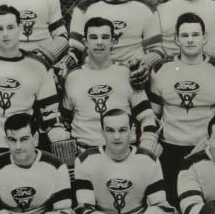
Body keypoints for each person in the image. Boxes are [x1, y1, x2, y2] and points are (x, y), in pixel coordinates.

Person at [0, 4, 76, 170]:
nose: (5, 34)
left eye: (10, 27)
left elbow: (52, 117)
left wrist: (68, 166)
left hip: (24, 146)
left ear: (20, 28)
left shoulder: (39, 66)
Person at [147, 12, 215, 205]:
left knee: (203, 206)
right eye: (185, 35)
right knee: (170, 206)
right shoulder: (161, 69)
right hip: (170, 149)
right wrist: (151, 145)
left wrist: (204, 146)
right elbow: (153, 116)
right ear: (176, 39)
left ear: (204, 38)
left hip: (205, 150)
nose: (190, 40)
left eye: (195, 35)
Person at [67, 0, 166, 86]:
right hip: (95, 77)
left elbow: (157, 50)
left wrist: (144, 65)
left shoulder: (147, 9)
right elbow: (76, 49)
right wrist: (66, 63)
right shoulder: (84, 8)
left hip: (132, 78)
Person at [61, 16, 159, 153]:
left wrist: (146, 148)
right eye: (94, 37)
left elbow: (147, 117)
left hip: (123, 153)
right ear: (85, 42)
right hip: (85, 154)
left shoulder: (127, 73)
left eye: (105, 37)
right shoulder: (72, 77)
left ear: (113, 41)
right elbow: (64, 123)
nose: (99, 42)